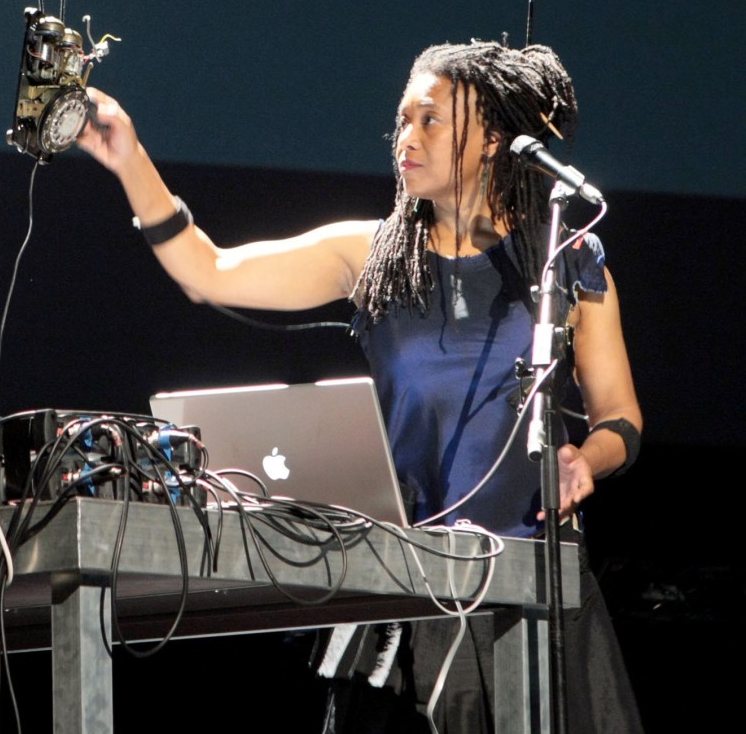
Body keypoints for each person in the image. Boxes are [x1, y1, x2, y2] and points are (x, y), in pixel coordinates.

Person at [76, 39, 643, 733]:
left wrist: (587, 459)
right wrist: (130, 160)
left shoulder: (563, 261)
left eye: (431, 120)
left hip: (537, 589)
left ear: (494, 138)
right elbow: (210, 272)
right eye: (402, 120)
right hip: (411, 589)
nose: (408, 137)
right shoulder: (371, 255)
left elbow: (620, 417)